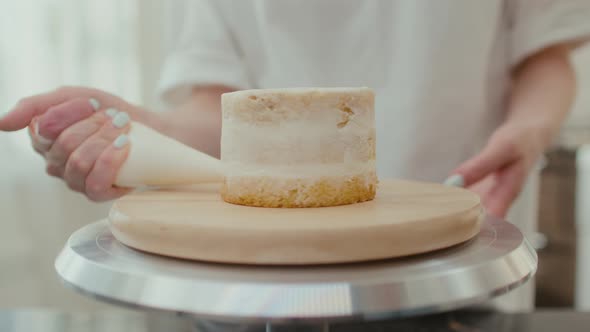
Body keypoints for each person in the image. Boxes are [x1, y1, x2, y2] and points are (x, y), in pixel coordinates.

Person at [1, 0, 589, 311]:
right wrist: (143, 133)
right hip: (263, 274)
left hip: (459, 248)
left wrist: (531, 130)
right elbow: (216, 115)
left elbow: (545, 54)